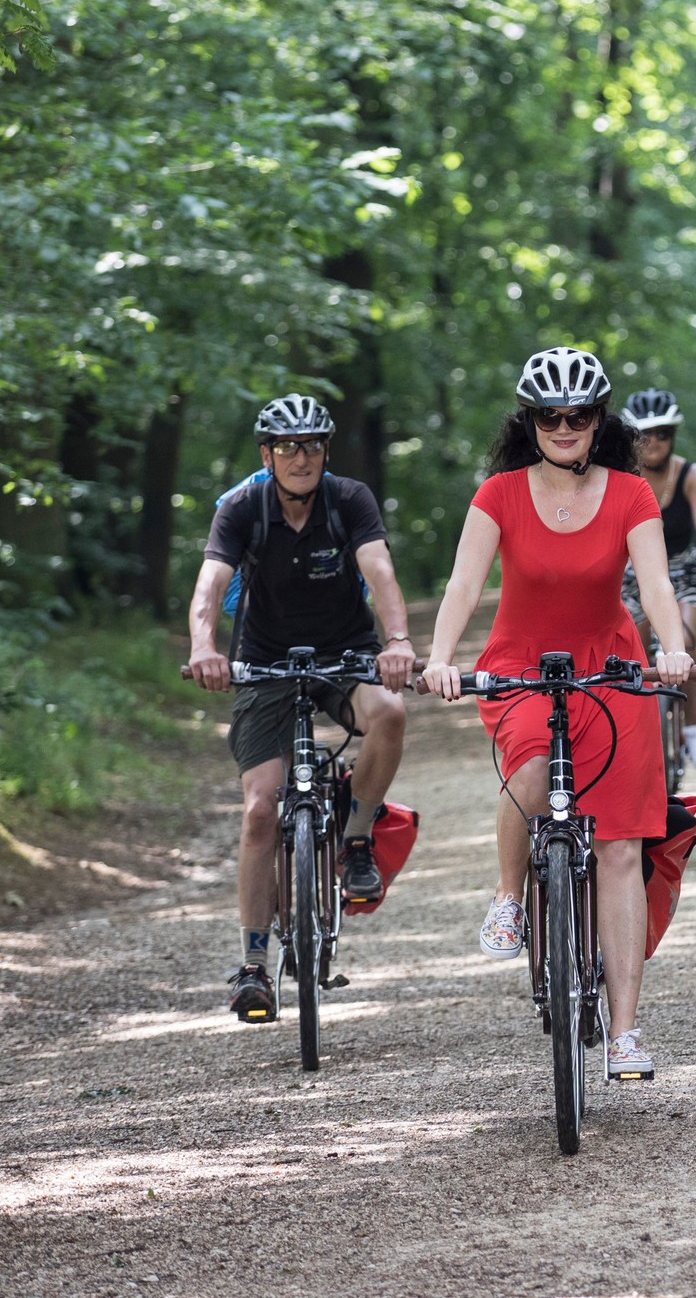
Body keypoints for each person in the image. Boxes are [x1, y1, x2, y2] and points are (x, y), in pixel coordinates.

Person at [419, 347, 693, 1082]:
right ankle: (511, 897)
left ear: (599, 420)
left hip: (611, 666)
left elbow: (658, 584)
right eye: (551, 415)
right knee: (535, 773)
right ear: (531, 420)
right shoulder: (498, 495)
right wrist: (442, 658)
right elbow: (463, 584)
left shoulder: (632, 493)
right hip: (520, 665)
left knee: (621, 847)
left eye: (579, 415)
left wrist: (669, 648)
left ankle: (627, 1033)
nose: (565, 426)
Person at [185, 394, 416, 1022]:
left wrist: (396, 643)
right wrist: (204, 647)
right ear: (267, 455)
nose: (301, 456)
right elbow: (210, 585)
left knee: (390, 713)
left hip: (345, 652)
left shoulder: (350, 501)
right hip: (264, 660)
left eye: (312, 445)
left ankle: (357, 840)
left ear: (326, 452)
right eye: (287, 446)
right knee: (262, 808)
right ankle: (254, 964)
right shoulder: (241, 508)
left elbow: (381, 571)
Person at [619, 387, 696, 772]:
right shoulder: (618, 476)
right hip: (631, 572)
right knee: (631, 643)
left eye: (663, 433)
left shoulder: (691, 475)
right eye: (643, 434)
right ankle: (632, 723)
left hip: (684, 571)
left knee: (682, 640)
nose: (653, 442)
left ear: (673, 435)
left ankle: (691, 727)